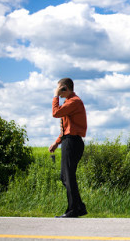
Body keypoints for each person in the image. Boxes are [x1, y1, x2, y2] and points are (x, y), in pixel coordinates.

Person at [48, 78, 88, 218]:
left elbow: (55, 113)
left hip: (72, 142)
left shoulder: (74, 101)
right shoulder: (69, 102)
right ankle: (79, 207)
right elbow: (66, 129)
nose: (59, 92)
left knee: (68, 177)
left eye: (60, 89)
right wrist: (57, 142)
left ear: (65, 88)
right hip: (69, 141)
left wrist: (55, 95)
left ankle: (73, 210)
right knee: (64, 177)